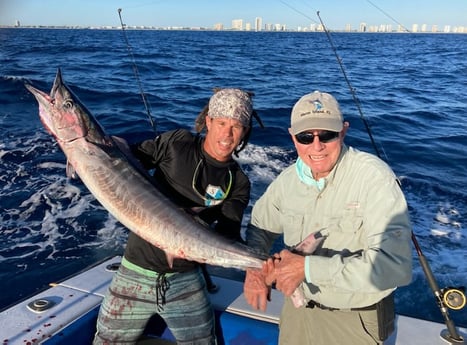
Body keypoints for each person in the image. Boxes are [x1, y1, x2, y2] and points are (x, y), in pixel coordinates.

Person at [243, 91, 413, 345]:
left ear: (343, 132)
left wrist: (307, 268)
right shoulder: (287, 180)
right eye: (305, 137)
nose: (316, 145)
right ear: (292, 137)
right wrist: (255, 272)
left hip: (353, 321)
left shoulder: (374, 178)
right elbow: (260, 227)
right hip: (297, 313)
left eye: (327, 134)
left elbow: (395, 267)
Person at [94, 88, 261, 344]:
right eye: (222, 123)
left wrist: (258, 265)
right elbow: (126, 161)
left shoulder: (237, 181)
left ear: (245, 131)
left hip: (185, 278)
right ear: (208, 122)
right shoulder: (176, 143)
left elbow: (228, 234)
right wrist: (98, 147)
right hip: (134, 270)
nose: (227, 134)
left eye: (237, 126)